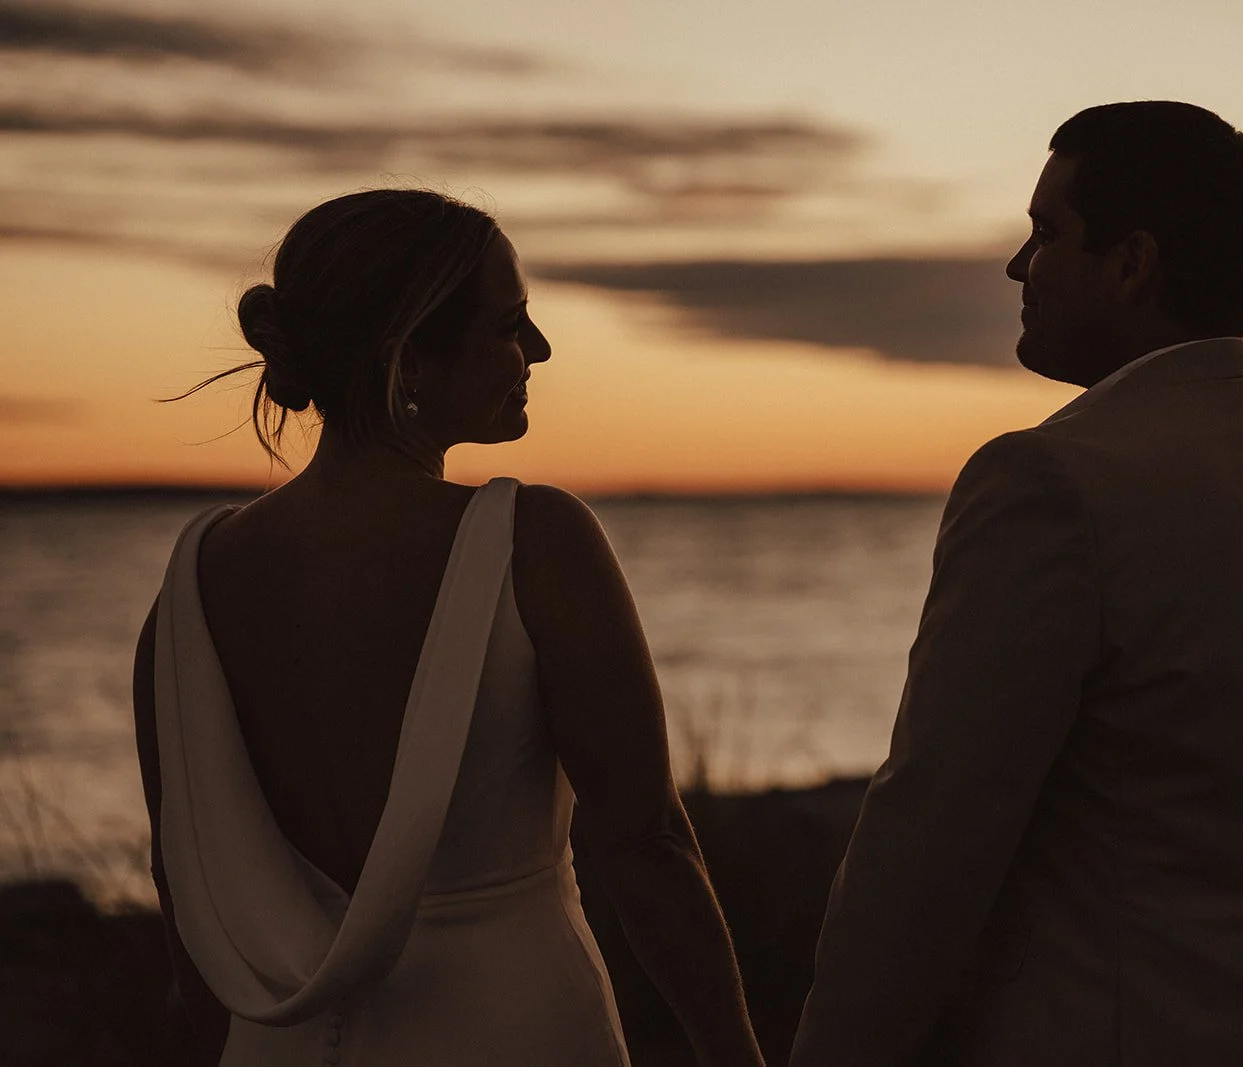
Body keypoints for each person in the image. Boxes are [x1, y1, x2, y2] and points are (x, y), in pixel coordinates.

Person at [788, 102, 1243, 1066]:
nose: (1019, 267)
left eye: (1047, 233)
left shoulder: (1050, 484)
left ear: (1132, 262)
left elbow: (933, 836)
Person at [130, 189, 766, 1067]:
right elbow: (645, 845)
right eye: (510, 325)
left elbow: (189, 905)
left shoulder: (189, 589)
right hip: (517, 1032)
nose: (538, 349)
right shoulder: (533, 542)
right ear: (409, 362)